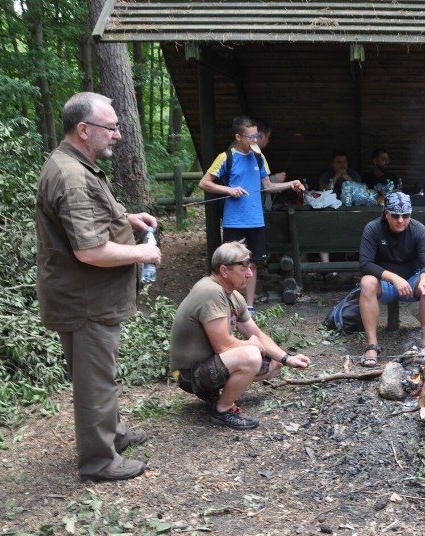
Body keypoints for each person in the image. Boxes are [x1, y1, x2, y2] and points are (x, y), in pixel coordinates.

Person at [36, 92, 160, 482]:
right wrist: (143, 255)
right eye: (111, 128)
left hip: (89, 296)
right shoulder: (72, 177)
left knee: (100, 375)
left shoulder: (77, 166)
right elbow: (90, 250)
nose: (118, 136)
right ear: (84, 129)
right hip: (85, 299)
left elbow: (94, 215)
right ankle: (98, 461)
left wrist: (127, 217)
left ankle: (115, 435)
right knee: (94, 382)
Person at [170, 242, 311, 429]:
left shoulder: (234, 296)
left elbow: (257, 334)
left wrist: (288, 358)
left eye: (249, 267)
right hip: (187, 375)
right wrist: (250, 345)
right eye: (243, 268)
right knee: (252, 355)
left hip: (209, 365)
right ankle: (223, 410)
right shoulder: (210, 292)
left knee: (275, 364)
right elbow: (223, 346)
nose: (250, 274)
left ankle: (212, 393)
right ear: (224, 270)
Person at [199, 116, 304, 316]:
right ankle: (231, 304)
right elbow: (204, 183)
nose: (255, 140)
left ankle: (248, 307)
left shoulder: (259, 157)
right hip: (234, 220)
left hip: (256, 220)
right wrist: (229, 190)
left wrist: (291, 184)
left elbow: (269, 187)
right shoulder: (226, 157)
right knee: (231, 265)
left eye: (257, 135)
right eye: (250, 137)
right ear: (238, 136)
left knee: (252, 263)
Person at [358, 192, 425, 367]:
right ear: (386, 214)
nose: (400, 220)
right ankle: (372, 345)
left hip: (411, 279)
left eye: (406, 215)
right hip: (384, 282)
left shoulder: (419, 229)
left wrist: (423, 280)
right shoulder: (373, 228)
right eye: (395, 215)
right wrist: (394, 278)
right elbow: (365, 264)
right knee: (367, 282)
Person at [255, 118, 287, 210]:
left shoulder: (259, 156)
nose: (268, 141)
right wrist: (275, 179)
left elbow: (267, 185)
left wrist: (276, 186)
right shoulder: (240, 155)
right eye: (268, 137)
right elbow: (248, 185)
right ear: (261, 135)